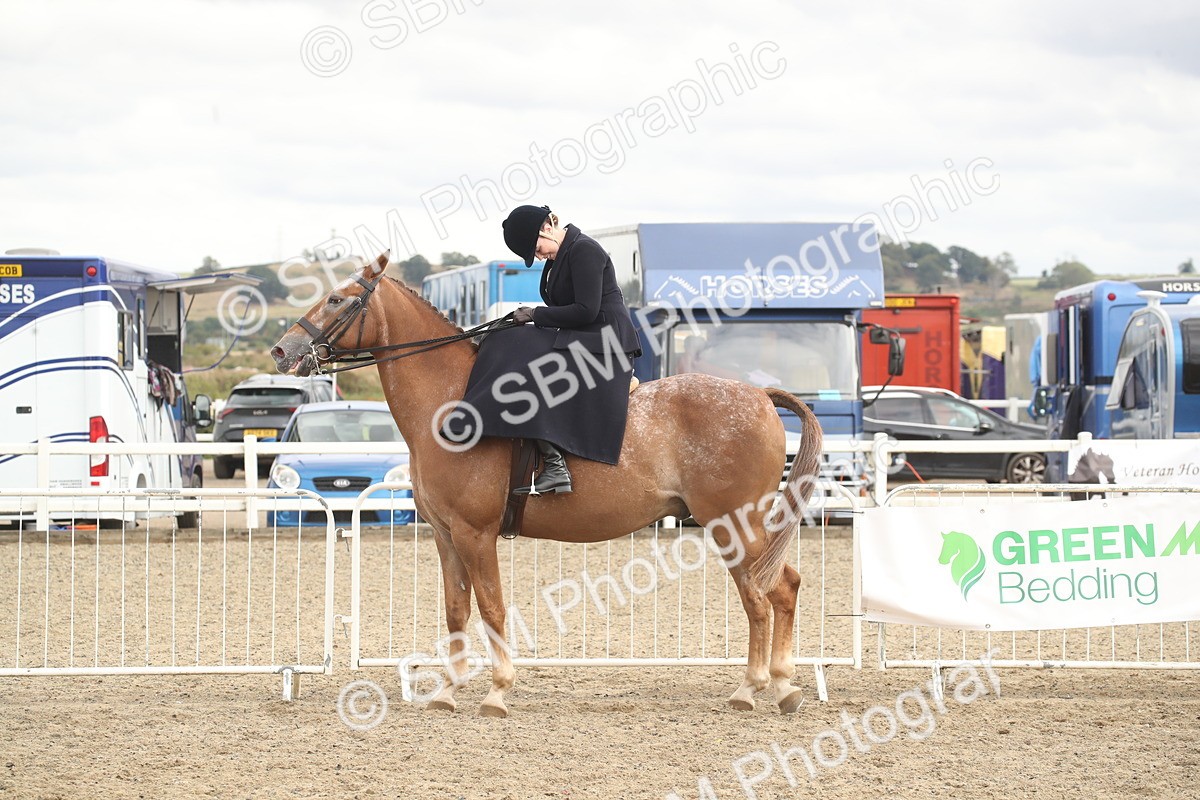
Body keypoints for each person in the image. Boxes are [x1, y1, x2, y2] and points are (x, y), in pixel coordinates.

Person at [448, 205, 642, 495]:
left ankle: (555, 464)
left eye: (537, 248)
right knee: (507, 340)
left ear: (547, 228)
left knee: (529, 366)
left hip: (605, 342)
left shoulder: (584, 250)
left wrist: (536, 314)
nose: (538, 256)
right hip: (583, 337)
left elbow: (586, 311)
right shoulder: (560, 256)